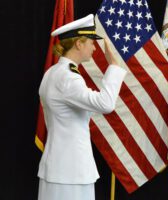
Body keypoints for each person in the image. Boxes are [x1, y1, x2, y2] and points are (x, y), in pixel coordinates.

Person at [37, 14, 127, 200]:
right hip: (70, 174)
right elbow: (106, 104)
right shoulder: (68, 77)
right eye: (91, 42)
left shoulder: (52, 73)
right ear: (79, 44)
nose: (94, 48)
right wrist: (114, 67)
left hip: (60, 170)